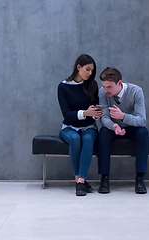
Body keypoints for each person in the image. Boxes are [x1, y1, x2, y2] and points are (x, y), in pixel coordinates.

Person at [97, 67, 149, 194]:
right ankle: (104, 178)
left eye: (108, 87)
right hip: (112, 127)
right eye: (103, 86)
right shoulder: (102, 92)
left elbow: (142, 120)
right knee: (103, 134)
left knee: (143, 133)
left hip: (131, 126)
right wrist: (114, 126)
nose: (105, 90)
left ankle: (140, 178)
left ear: (119, 83)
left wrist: (123, 117)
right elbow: (104, 118)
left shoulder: (136, 91)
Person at [57, 54, 103, 196]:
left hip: (89, 127)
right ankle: (80, 181)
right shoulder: (63, 87)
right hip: (69, 127)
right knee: (75, 139)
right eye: (87, 69)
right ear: (78, 67)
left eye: (92, 71)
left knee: (88, 139)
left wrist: (96, 113)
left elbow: (95, 108)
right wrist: (85, 113)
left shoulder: (92, 85)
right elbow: (67, 114)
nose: (90, 73)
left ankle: (80, 181)